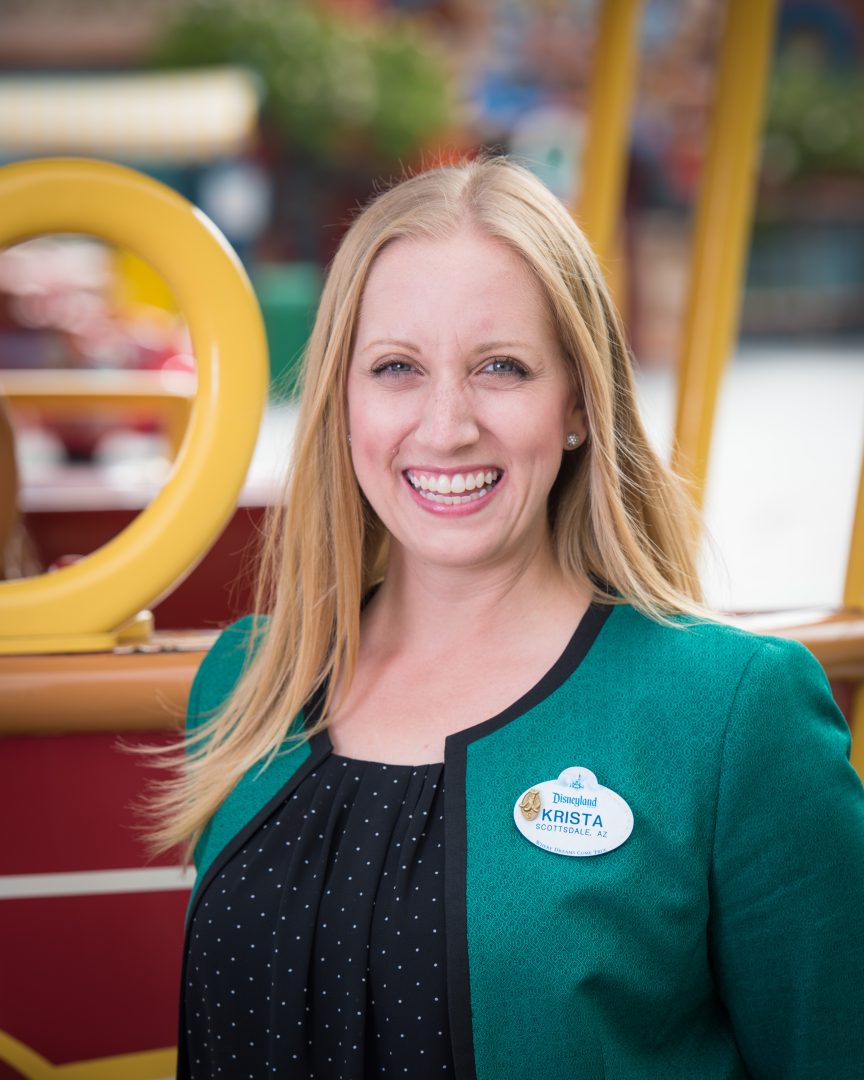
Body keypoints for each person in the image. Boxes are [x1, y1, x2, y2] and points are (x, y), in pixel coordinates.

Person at [161, 157, 864, 1079]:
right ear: (343, 402)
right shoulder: (248, 682)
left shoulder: (732, 714)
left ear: (577, 401)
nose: (447, 426)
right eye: (397, 368)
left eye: (501, 367)